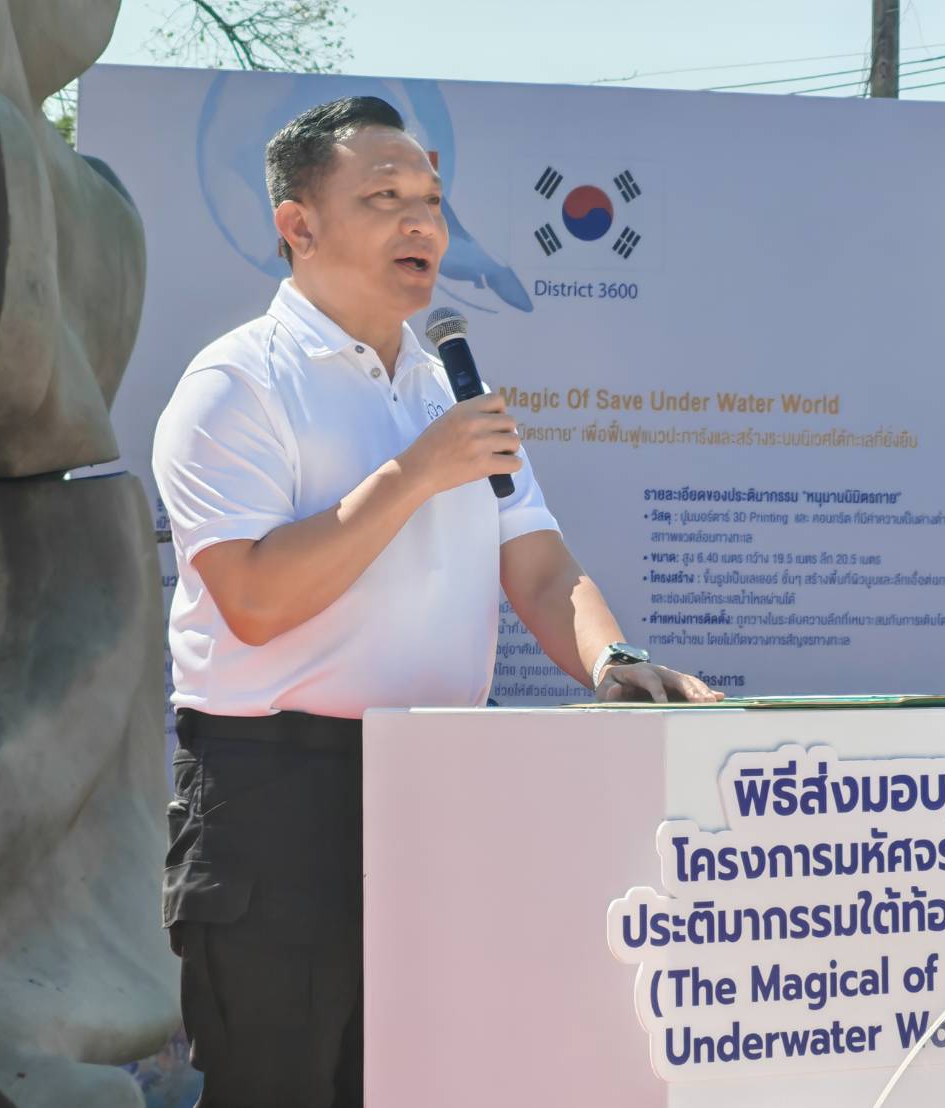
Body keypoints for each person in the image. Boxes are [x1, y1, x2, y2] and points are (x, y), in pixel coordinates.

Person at [151, 95, 721, 1108]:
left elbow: (538, 568)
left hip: (446, 783)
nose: (422, 222)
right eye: (385, 198)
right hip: (278, 794)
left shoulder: (448, 389)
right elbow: (253, 601)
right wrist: (414, 474)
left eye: (431, 199)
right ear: (297, 224)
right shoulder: (236, 384)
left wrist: (611, 658)